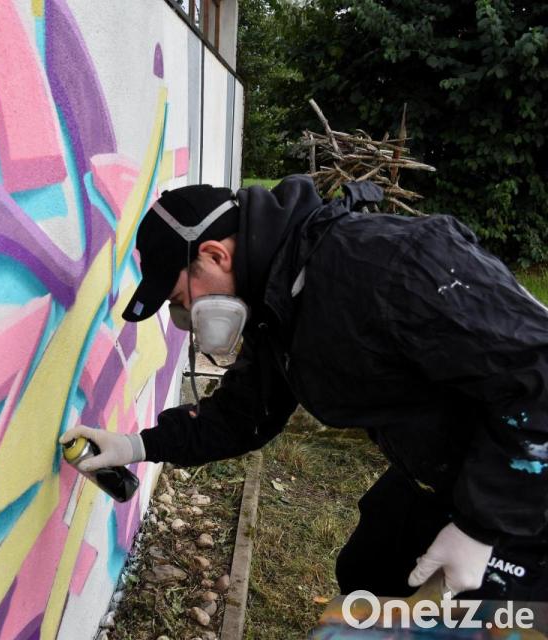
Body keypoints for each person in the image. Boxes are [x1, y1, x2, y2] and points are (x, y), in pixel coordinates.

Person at [60, 175, 548, 601]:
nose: (187, 317)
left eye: (181, 299)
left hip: (523, 489)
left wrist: (482, 526)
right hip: (437, 474)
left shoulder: (389, 265)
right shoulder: (279, 300)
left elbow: (537, 376)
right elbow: (243, 414)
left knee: (484, 620)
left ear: (214, 254)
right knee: (367, 575)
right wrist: (137, 445)